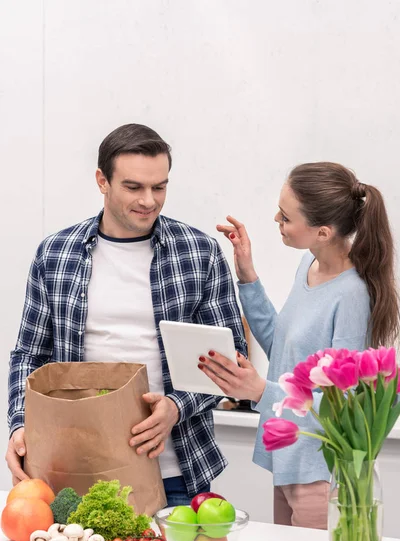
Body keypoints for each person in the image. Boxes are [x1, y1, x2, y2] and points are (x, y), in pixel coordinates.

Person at [6, 123, 247, 506]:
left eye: (160, 187)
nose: (149, 200)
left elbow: (231, 360)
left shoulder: (199, 253)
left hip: (177, 471)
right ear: (102, 180)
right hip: (74, 470)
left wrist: (176, 407)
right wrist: (20, 424)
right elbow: (29, 355)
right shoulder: (55, 254)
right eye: (133, 187)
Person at [198, 162, 399, 529]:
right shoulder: (309, 264)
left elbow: (340, 405)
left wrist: (260, 391)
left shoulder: (352, 295)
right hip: (290, 461)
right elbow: (284, 348)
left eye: (286, 217)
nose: (277, 218)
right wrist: (247, 273)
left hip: (319, 472)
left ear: (322, 231)